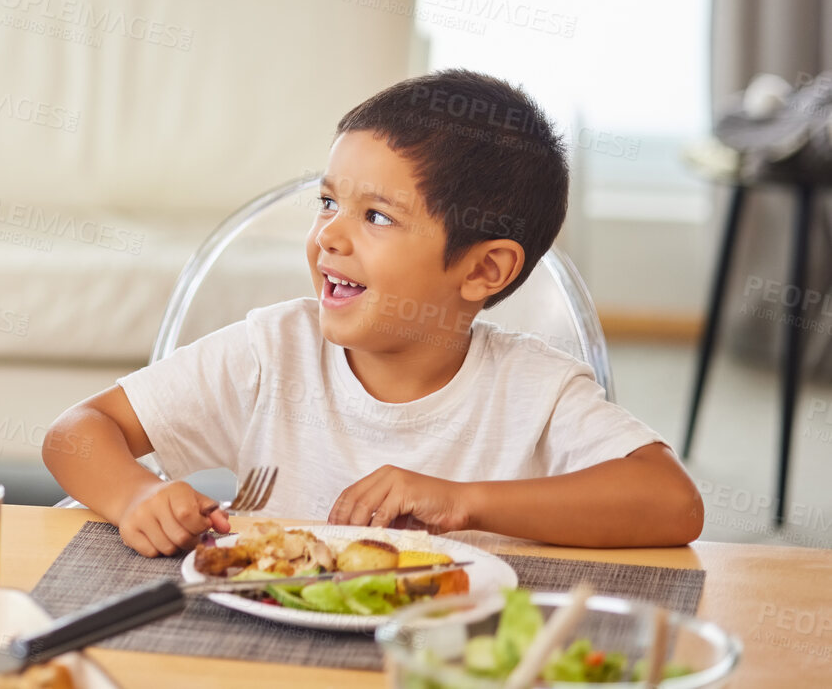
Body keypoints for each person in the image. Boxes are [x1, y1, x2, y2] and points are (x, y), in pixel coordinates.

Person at [44, 70, 704, 554]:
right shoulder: (274, 351)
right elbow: (76, 431)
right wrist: (133, 492)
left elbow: (671, 501)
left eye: (376, 216)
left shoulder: (532, 387)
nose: (329, 235)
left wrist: (461, 499)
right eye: (327, 202)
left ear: (483, 269)